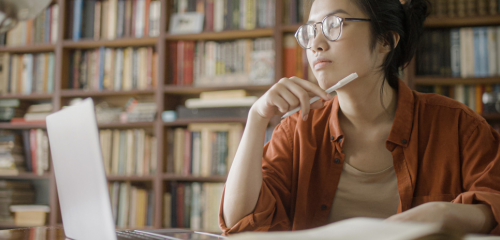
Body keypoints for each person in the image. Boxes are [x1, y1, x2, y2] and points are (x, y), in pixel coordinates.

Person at [219, 0, 500, 236]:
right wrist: (256, 117)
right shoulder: (296, 132)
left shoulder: (456, 125)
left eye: (333, 25)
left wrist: (443, 213)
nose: (315, 44)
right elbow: (240, 225)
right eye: (310, 31)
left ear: (385, 42)